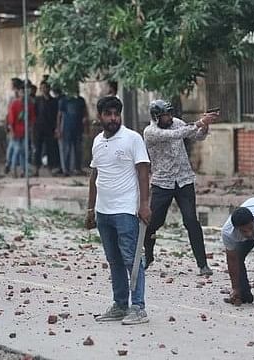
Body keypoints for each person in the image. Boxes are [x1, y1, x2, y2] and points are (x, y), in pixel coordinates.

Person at [85, 96, 151, 325]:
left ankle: (138, 307)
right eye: (108, 114)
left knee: (132, 260)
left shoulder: (132, 138)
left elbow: (143, 172)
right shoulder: (97, 142)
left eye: (116, 114)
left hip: (125, 211)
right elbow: (95, 176)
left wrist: (144, 204)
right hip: (103, 212)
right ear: (100, 116)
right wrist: (91, 209)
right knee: (113, 261)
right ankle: (120, 305)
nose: (113, 118)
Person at [142, 100, 218, 276]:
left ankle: (202, 264)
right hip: (162, 182)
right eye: (165, 115)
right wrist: (200, 122)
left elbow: (196, 136)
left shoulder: (177, 123)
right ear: (156, 117)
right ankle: (148, 255)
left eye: (170, 114)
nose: (169, 118)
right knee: (153, 222)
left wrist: (205, 126)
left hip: (184, 180)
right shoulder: (151, 132)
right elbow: (175, 136)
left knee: (191, 220)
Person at [56, 84, 88, 176]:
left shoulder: (81, 100)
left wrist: (86, 127)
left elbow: (85, 114)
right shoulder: (64, 100)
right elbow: (59, 115)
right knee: (66, 150)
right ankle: (66, 170)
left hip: (78, 128)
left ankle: (77, 168)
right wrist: (58, 129)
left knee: (78, 149)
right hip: (66, 129)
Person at [7, 82, 35, 177]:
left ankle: (24, 170)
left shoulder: (29, 104)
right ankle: (13, 169)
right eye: (22, 91)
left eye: (25, 91)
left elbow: (32, 118)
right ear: (18, 92)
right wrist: (12, 131)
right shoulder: (14, 104)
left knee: (24, 151)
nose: (24, 93)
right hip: (16, 131)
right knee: (17, 150)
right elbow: (11, 120)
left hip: (25, 132)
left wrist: (30, 129)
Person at [33, 80, 59, 175]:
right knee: (38, 149)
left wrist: (56, 128)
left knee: (50, 149)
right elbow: (34, 114)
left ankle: (51, 168)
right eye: (42, 88)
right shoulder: (37, 100)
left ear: (49, 89)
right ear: (40, 89)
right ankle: (36, 169)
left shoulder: (54, 101)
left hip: (50, 128)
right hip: (39, 128)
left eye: (46, 87)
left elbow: (56, 115)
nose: (44, 90)